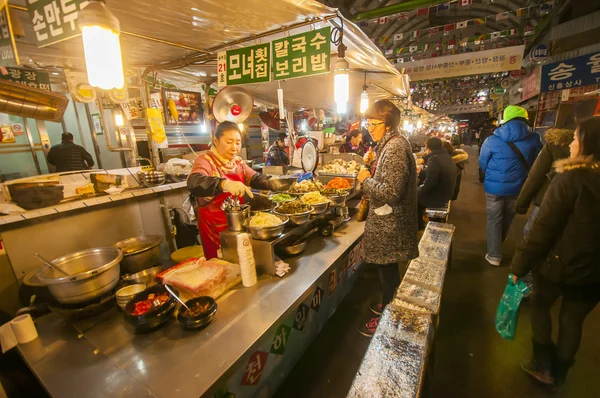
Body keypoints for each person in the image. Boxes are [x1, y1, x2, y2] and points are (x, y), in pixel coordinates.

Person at [510, 116, 600, 387]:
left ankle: (543, 364)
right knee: (573, 321)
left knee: (539, 306)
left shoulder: (570, 179)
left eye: (575, 139)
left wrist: (518, 266)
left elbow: (543, 230)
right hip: (594, 271)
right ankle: (560, 373)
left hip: (561, 264)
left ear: (587, 144)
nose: (571, 144)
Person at [356, 100, 419, 337]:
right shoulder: (389, 145)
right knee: (387, 270)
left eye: (374, 123)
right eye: (368, 123)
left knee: (388, 271)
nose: (369, 127)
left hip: (391, 225)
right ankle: (387, 305)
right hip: (389, 223)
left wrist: (365, 178)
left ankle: (388, 319)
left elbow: (392, 192)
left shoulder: (395, 148)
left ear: (389, 124)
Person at [187, 121, 275, 259]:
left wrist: (276, 183)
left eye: (238, 142)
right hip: (214, 228)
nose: (235, 147)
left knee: (241, 262)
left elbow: (255, 178)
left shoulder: (238, 163)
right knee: (220, 266)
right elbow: (194, 182)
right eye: (229, 142)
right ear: (216, 141)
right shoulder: (205, 160)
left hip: (237, 223)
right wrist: (224, 184)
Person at [479, 105, 542, 266]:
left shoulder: (492, 139)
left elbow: (483, 162)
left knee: (494, 219)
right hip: (518, 187)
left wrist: (489, 176)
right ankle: (497, 242)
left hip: (494, 188)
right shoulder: (534, 138)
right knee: (508, 217)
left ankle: (494, 255)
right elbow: (537, 164)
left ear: (505, 119)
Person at [515, 128, 574, 236]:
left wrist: (522, 204)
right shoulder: (534, 139)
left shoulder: (555, 144)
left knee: (532, 233)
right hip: (581, 205)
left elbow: (535, 176)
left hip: (548, 197)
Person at [417, 137, 457, 229]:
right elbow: (434, 173)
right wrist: (421, 172)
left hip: (438, 196)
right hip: (447, 192)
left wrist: (418, 190)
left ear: (429, 148)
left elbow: (430, 183)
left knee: (413, 196)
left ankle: (418, 226)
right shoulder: (445, 156)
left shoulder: (434, 160)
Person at [479, 117, 499, 183]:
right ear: (493, 122)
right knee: (492, 162)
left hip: (482, 146)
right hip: (493, 147)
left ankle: (481, 178)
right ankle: (490, 177)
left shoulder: (482, 129)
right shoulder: (495, 129)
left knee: (483, 161)